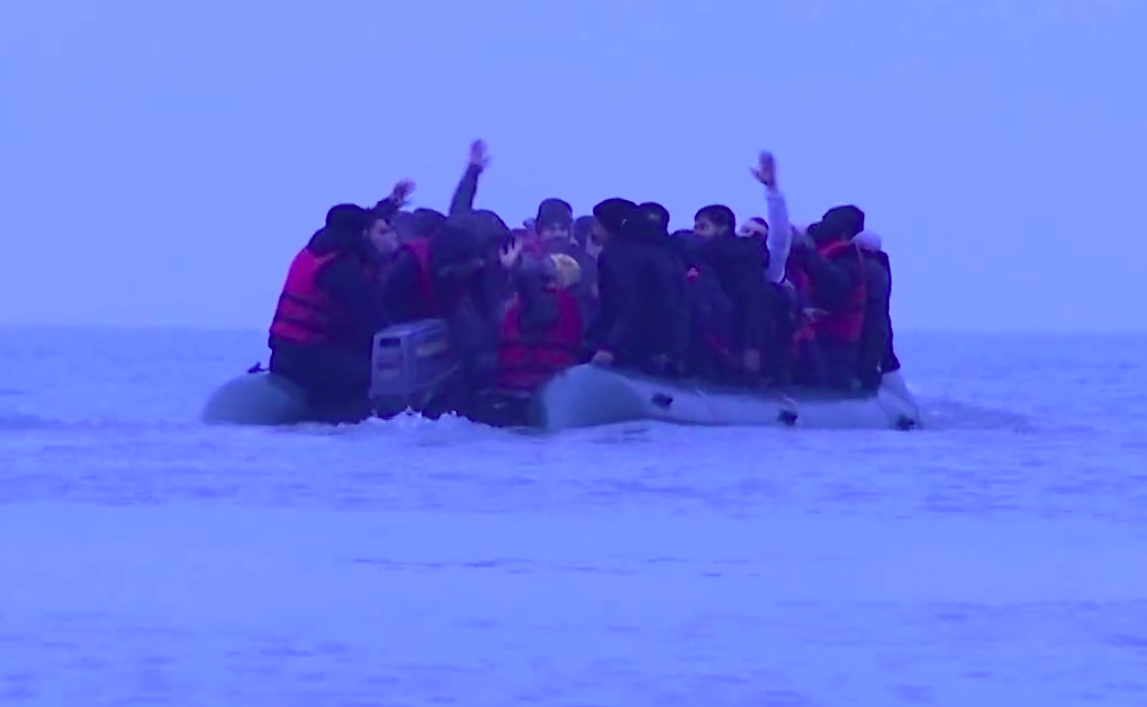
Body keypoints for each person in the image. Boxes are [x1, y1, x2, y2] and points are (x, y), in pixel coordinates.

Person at [267, 180, 413, 422]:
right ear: (362, 235)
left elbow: (363, 219)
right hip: (306, 360)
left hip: (284, 351)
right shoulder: (341, 271)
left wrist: (392, 203)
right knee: (371, 374)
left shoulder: (317, 249)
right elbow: (372, 324)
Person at [590, 201, 689, 374]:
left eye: (597, 224)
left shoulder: (619, 255)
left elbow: (627, 305)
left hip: (625, 350)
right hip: (666, 350)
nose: (594, 231)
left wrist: (610, 347)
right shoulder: (672, 254)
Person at [788, 205, 868, 390]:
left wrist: (806, 254)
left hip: (835, 346)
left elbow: (838, 286)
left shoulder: (848, 258)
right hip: (809, 341)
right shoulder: (821, 253)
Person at [692, 203, 772, 384]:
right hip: (746, 331)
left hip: (728, 332)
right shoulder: (748, 257)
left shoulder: (715, 257)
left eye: (703, 227)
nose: (697, 233)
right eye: (695, 227)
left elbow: (748, 299)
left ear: (722, 229)